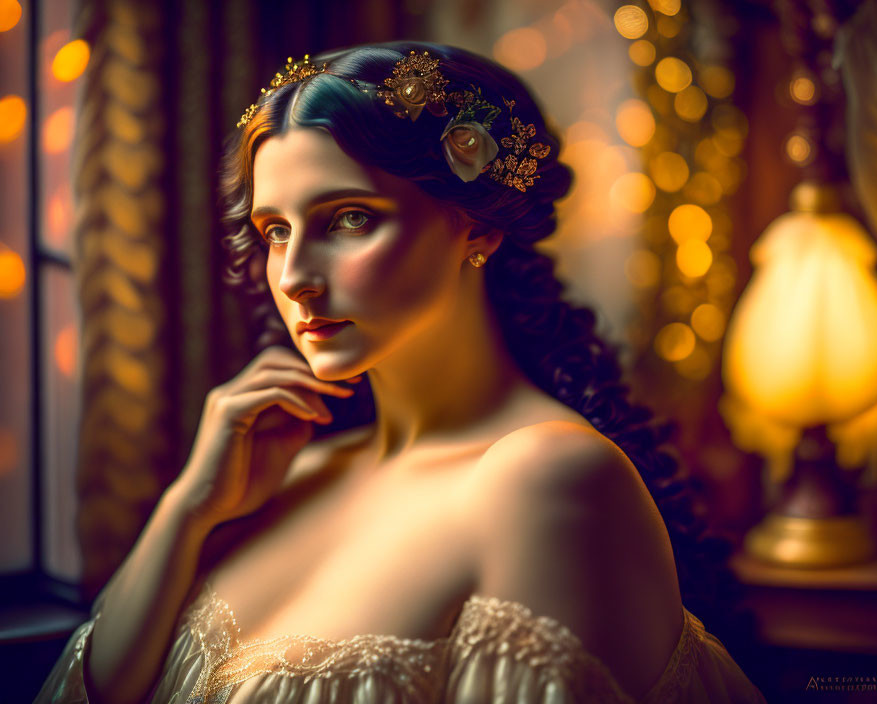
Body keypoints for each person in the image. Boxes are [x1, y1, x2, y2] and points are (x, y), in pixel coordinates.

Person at [36, 41, 767, 703]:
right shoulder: (278, 470)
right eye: (275, 231)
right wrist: (187, 507)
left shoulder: (545, 479)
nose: (293, 277)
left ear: (477, 224)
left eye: (348, 218)